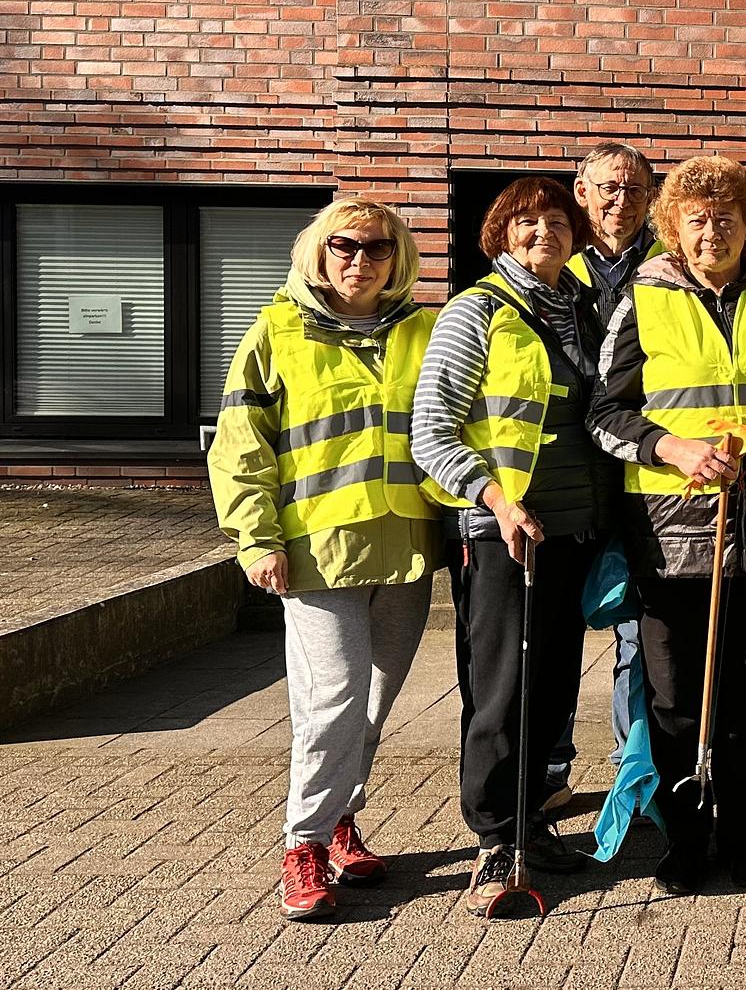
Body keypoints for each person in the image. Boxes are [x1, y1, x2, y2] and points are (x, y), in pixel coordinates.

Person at [587, 155, 746, 894]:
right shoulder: (643, 297)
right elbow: (603, 413)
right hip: (671, 537)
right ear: (674, 227)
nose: (711, 231)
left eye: (726, 218)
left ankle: (743, 837)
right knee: (672, 698)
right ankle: (684, 841)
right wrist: (670, 446)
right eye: (696, 219)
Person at [209, 197, 438, 921]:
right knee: (331, 705)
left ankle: (343, 822)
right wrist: (256, 537)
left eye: (377, 249)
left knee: (372, 705)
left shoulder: (424, 331)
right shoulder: (277, 330)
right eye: (345, 246)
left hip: (403, 548)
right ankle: (302, 845)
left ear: (398, 258)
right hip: (315, 554)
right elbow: (242, 443)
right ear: (319, 249)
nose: (360, 261)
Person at [411, 176, 616, 916]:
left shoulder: (583, 311)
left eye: (558, 223)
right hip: (504, 533)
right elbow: (430, 429)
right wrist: (495, 498)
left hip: (572, 530)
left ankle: (533, 820)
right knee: (500, 689)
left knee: (554, 686)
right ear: (500, 235)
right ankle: (496, 838)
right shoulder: (478, 312)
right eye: (526, 224)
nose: (544, 234)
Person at [544, 141, 662, 812]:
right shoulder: (553, 270)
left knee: (639, 637)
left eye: (635, 190)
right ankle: (552, 768)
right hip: (568, 482)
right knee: (556, 636)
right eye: (608, 188)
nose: (621, 200)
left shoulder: (667, 270)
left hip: (645, 483)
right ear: (581, 191)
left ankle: (634, 771)